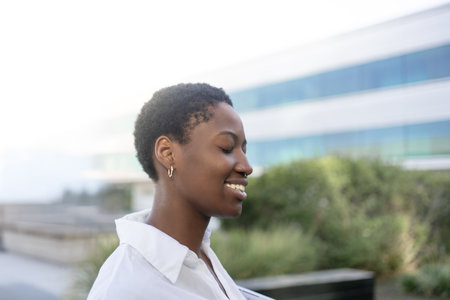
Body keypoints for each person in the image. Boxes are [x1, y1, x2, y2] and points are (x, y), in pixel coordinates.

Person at [88, 83, 253, 299]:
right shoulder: (126, 289)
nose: (246, 166)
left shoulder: (199, 257)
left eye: (244, 150)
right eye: (226, 148)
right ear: (167, 153)